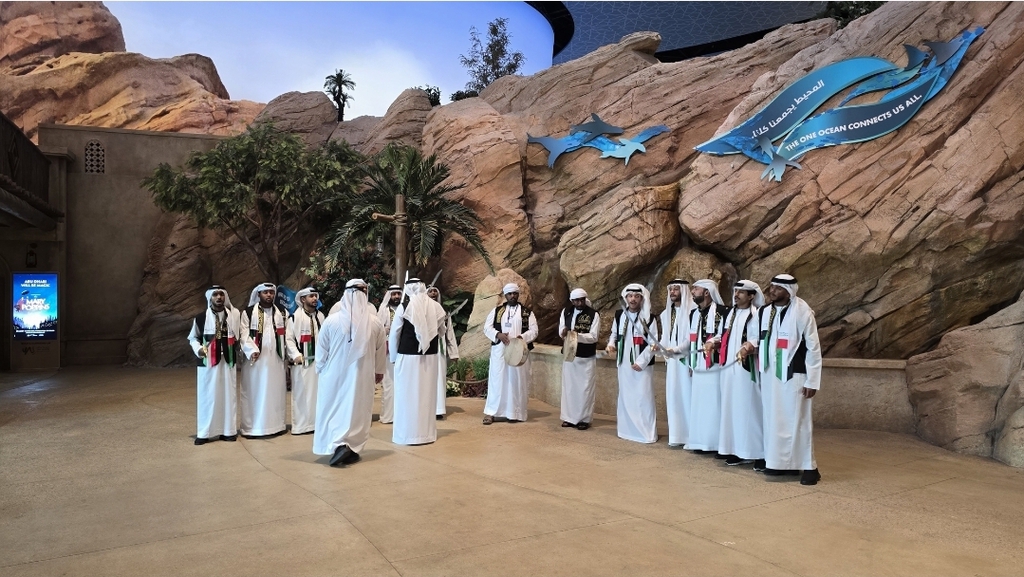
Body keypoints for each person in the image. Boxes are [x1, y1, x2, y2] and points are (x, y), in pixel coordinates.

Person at [738, 274, 822, 485]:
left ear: (789, 291)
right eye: (771, 287)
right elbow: (757, 337)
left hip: (794, 374)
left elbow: (813, 347)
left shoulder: (803, 312)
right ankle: (780, 464)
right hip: (769, 375)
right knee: (773, 420)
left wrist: (812, 380)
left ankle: (810, 467)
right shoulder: (764, 312)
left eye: (778, 288)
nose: (772, 291)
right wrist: (748, 346)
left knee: (798, 421)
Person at [313, 279, 386, 467]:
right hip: (363, 375)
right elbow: (381, 350)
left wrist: (320, 367)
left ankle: (340, 445)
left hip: (334, 375)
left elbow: (321, 349)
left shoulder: (331, 320)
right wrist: (379, 371)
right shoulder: (375, 323)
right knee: (358, 409)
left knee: (334, 408)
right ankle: (351, 446)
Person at [389, 279, 448, 445]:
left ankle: (406, 434)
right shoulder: (436, 307)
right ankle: (425, 434)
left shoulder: (404, 307)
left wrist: (393, 357)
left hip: (408, 358)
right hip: (430, 358)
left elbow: (394, 334)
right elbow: (442, 330)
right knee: (426, 394)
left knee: (407, 395)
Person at [717, 280, 765, 466]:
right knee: (733, 408)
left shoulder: (756, 314)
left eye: (741, 292)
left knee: (750, 409)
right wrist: (712, 342)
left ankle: (756, 452)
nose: (736, 295)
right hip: (728, 370)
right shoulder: (730, 313)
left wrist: (749, 346)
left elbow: (759, 338)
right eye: (735, 291)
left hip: (746, 370)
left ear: (751, 296)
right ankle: (737, 449)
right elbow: (722, 335)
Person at [606, 283, 660, 444]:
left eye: (636, 296)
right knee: (625, 396)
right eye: (630, 296)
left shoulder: (649, 318)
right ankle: (626, 430)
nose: (633, 299)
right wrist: (611, 344)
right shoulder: (619, 315)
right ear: (626, 298)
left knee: (643, 397)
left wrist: (641, 362)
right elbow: (614, 334)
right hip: (624, 364)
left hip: (642, 366)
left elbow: (653, 343)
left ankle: (646, 434)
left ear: (642, 299)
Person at [188, 285, 240, 445]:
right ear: (210, 297)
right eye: (215, 295)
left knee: (228, 395)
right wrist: (198, 349)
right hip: (208, 363)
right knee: (208, 396)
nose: (219, 297)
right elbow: (193, 338)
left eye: (221, 294)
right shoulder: (201, 318)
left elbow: (239, 336)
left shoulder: (233, 316)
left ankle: (228, 431)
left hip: (228, 361)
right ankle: (204, 433)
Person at [683, 279, 729, 454]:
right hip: (698, 364)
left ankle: (715, 443)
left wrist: (713, 342)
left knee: (714, 402)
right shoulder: (693, 314)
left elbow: (724, 335)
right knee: (699, 403)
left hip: (714, 364)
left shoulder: (723, 312)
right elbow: (692, 339)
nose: (692, 291)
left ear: (707, 292)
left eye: (696, 289)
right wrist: (690, 361)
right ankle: (700, 441)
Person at [482, 282, 538, 424]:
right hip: (500, 351)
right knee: (497, 381)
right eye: (510, 294)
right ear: (505, 295)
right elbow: (487, 328)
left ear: (518, 295)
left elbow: (534, 331)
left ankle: (514, 413)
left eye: (515, 293)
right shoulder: (497, 311)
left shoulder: (527, 313)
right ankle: (491, 412)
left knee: (516, 381)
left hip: (519, 352)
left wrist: (522, 337)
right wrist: (498, 334)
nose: (512, 296)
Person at [239, 282, 289, 438]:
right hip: (256, 362)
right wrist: (251, 350)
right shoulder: (248, 313)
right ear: (258, 294)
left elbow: (288, 335)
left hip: (276, 361)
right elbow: (243, 334)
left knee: (276, 392)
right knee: (255, 392)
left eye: (271, 292)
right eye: (265, 292)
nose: (269, 295)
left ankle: (276, 425)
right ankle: (253, 428)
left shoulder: (282, 312)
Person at [657, 279, 693, 447]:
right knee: (674, 397)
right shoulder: (666, 314)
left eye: (676, 289)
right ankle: (676, 436)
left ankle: (691, 436)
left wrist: (676, 349)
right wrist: (659, 347)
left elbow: (691, 338)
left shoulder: (693, 311)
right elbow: (665, 338)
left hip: (687, 361)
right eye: (670, 289)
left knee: (687, 396)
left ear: (684, 291)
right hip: (672, 363)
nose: (672, 292)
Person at [558, 288, 600, 430]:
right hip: (570, 355)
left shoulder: (593, 314)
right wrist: (563, 332)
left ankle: (584, 419)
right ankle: (568, 418)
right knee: (569, 387)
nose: (580, 303)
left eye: (582, 300)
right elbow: (561, 329)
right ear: (572, 301)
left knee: (585, 389)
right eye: (576, 301)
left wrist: (577, 336)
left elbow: (594, 336)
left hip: (586, 357)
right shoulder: (566, 311)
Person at [285, 287, 324, 435]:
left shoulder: (321, 316)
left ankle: (317, 424)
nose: (314, 299)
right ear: (303, 299)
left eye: (315, 296)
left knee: (318, 394)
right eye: (311, 296)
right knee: (302, 395)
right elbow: (289, 339)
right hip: (302, 364)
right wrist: (295, 354)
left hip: (319, 364)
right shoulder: (294, 318)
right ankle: (301, 426)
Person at [427, 285, 460, 420]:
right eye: (430, 291)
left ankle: (438, 409)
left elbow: (449, 333)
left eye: (435, 291)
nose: (433, 293)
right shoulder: (421, 310)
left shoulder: (444, 312)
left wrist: (454, 353)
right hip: (425, 351)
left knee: (439, 378)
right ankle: (426, 408)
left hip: (439, 350)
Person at [376, 285, 403, 424]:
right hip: (387, 351)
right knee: (389, 384)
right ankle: (388, 416)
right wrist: (385, 330)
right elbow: (377, 329)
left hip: (403, 350)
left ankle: (402, 415)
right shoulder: (383, 310)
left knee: (403, 384)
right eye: (394, 294)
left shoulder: (405, 309)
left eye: (399, 294)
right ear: (389, 296)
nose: (397, 296)